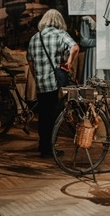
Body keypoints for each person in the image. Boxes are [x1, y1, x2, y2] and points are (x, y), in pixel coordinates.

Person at [27, 9, 79, 158]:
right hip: (55, 83)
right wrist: (69, 63)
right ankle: (49, 149)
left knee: (43, 116)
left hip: (41, 83)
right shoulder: (60, 34)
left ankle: (44, 147)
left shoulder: (35, 37)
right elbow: (75, 47)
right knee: (54, 116)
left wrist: (37, 77)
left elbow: (30, 61)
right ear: (59, 21)